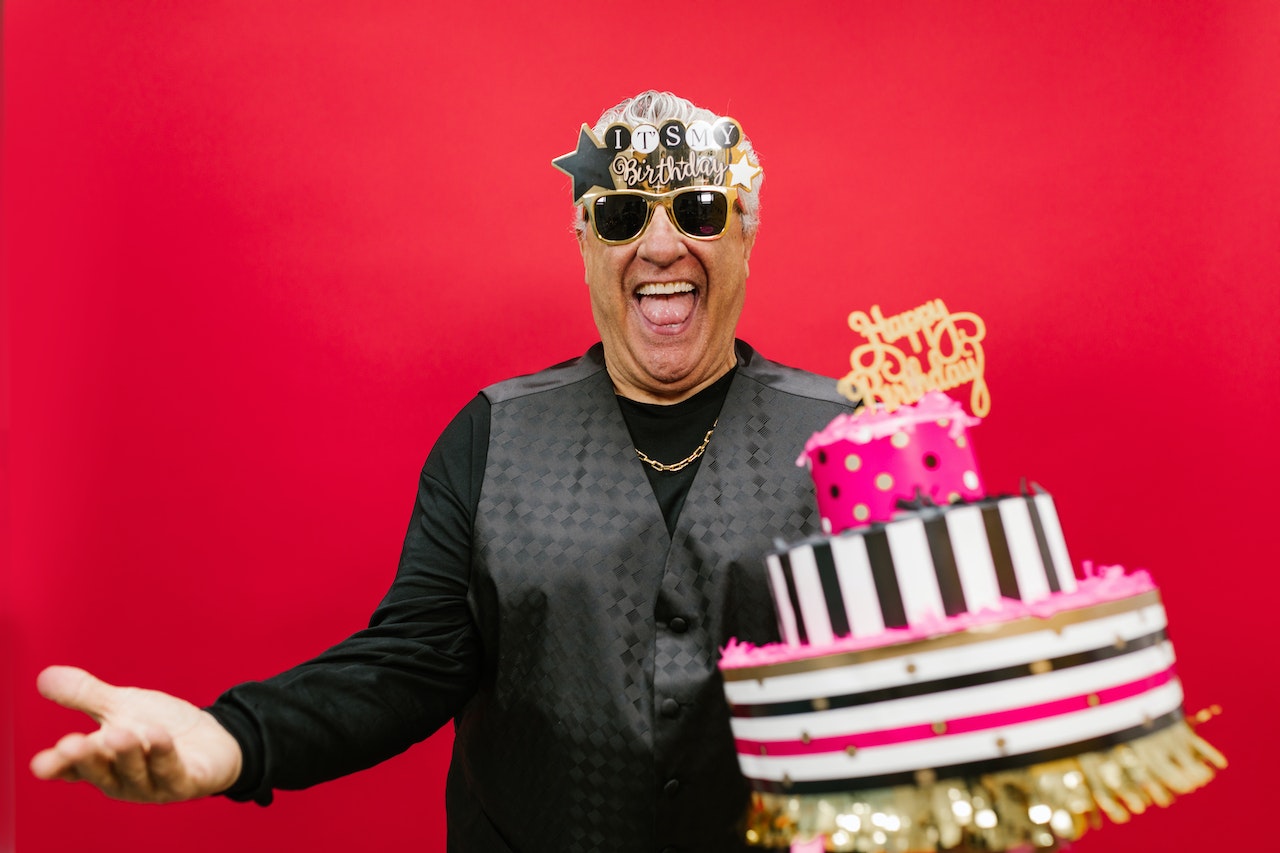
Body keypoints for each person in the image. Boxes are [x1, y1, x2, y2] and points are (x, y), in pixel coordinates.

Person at [31, 90, 853, 853]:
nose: (662, 244)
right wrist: (234, 737)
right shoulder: (492, 433)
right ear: (583, 239)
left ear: (746, 234)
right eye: (624, 214)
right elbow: (410, 662)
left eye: (701, 211)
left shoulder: (847, 436)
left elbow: (917, 672)